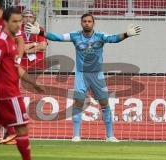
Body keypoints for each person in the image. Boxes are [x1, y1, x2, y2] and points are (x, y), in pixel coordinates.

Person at [25, 13, 142, 142]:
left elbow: (114, 38)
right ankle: (76, 135)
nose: (87, 23)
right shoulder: (75, 36)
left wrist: (126, 34)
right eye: (84, 21)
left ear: (93, 23)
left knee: (104, 103)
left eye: (89, 21)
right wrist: (40, 33)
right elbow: (57, 37)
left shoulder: (100, 36)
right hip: (81, 74)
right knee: (79, 102)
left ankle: (110, 136)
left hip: (97, 74)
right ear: (81, 23)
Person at [0, 7, 44, 160]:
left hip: (4, 94)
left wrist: (34, 83)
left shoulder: (11, 41)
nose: (18, 25)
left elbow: (16, 68)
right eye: (14, 21)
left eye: (20, 21)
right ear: (5, 22)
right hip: (8, 94)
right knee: (22, 128)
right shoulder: (1, 41)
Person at [0, 0, 25, 144]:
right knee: (2, 99)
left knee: (8, 97)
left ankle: (13, 132)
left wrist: (17, 62)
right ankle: (10, 132)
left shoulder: (9, 21)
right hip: (1, 68)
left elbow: (21, 42)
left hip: (10, 68)